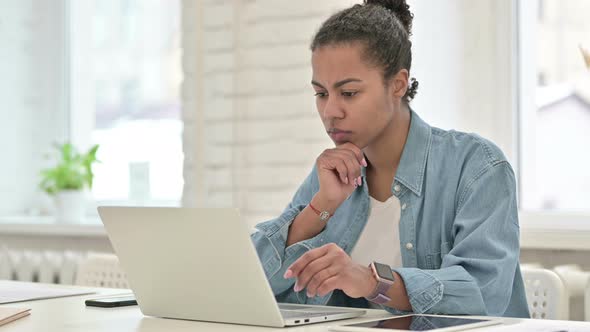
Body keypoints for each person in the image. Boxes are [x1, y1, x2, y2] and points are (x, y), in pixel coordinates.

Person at [250, 0, 530, 317]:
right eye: (321, 93)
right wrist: (321, 207)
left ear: (397, 84)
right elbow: (250, 285)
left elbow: (481, 292)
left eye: (349, 93)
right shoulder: (330, 175)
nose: (330, 112)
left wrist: (371, 281)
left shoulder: (477, 167)